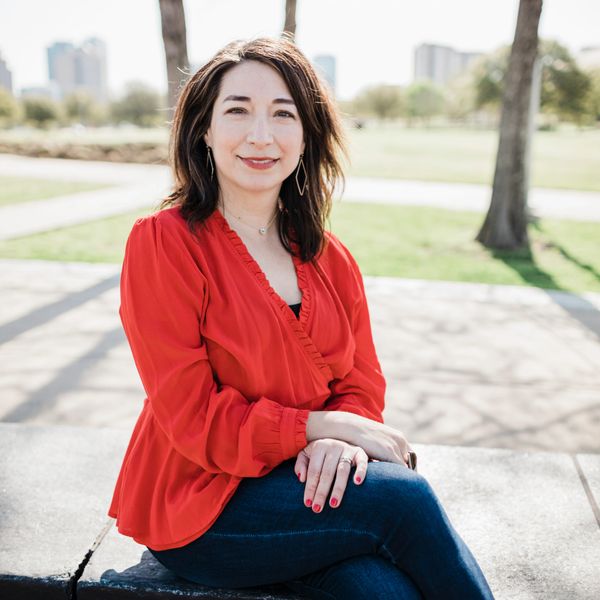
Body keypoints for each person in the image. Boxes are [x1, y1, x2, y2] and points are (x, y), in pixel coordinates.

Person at [107, 35, 494, 600]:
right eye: (237, 110)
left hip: (303, 489)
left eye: (283, 114)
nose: (261, 135)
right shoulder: (164, 244)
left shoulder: (330, 257)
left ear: (306, 134)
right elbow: (192, 418)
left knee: (382, 592)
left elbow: (361, 384)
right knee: (404, 498)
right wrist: (319, 427)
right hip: (200, 505)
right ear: (204, 131)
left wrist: (344, 442)